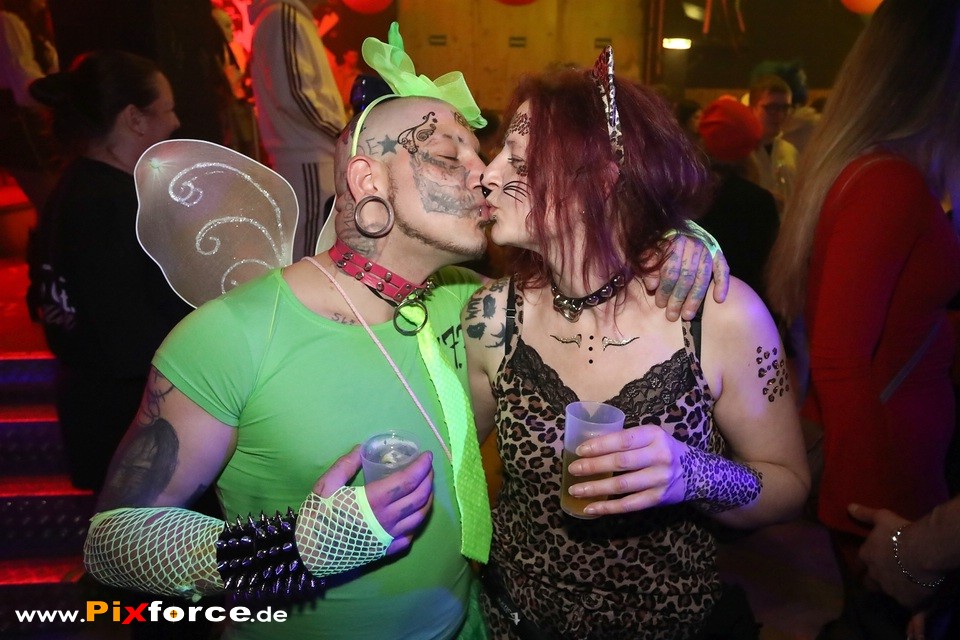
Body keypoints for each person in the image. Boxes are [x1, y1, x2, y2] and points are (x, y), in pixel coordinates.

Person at [81, 25, 728, 640]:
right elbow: (110, 541)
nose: (485, 175)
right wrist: (291, 548)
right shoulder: (234, 334)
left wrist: (668, 242)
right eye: (449, 156)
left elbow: (591, 274)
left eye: (483, 154)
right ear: (368, 180)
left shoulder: (478, 307)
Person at [464, 50, 810, 639]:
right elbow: (451, 464)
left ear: (600, 180)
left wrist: (693, 475)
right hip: (515, 623)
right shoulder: (492, 319)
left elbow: (789, 488)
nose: (488, 175)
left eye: (517, 160)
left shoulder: (718, 315)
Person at [765, 0, 960, 637]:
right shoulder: (888, 182)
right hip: (888, 468)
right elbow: (841, 358)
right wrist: (871, 508)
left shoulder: (878, 173)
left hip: (888, 455)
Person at [25, 49, 190, 493]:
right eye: (167, 109)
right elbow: (134, 337)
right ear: (135, 118)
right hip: (129, 427)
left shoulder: (76, 187)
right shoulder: (109, 204)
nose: (175, 122)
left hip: (98, 411)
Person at [247, 0, 347, 261]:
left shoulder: (285, 17)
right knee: (309, 256)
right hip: (307, 155)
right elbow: (294, 94)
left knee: (310, 252)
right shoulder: (283, 16)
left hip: (308, 154)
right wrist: (344, 133)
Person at [695, 96, 779, 303]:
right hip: (745, 308)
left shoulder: (684, 193)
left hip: (691, 310)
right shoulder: (759, 202)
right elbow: (769, 273)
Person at [0, 0, 59, 212]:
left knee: (53, 208)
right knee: (53, 207)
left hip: (33, 120)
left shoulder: (32, 22)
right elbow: (25, 87)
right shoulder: (8, 22)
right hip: (24, 124)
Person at [747, 74, 798, 215]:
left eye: (785, 108)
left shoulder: (790, 151)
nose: (780, 115)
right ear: (752, 109)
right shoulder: (742, 153)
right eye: (771, 108)